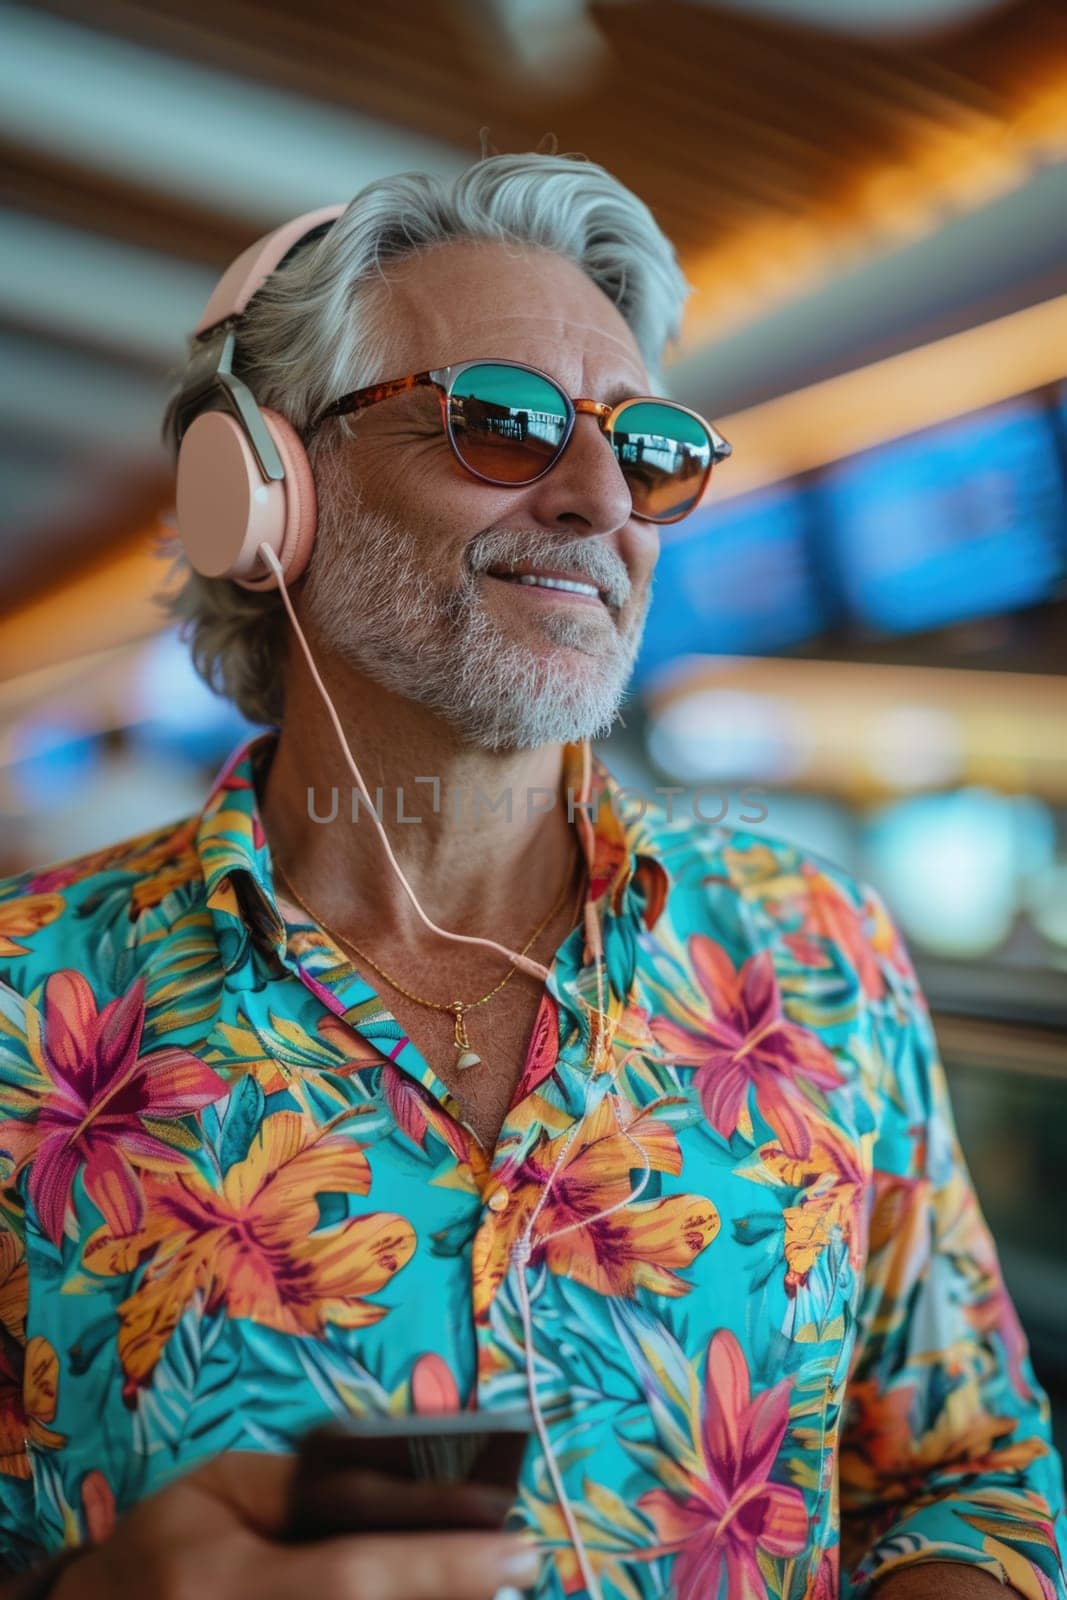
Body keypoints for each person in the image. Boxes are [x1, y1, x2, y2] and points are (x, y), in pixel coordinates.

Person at [0, 150, 1063, 1600]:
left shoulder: (815, 952)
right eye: (503, 424)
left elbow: (965, 1473)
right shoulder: (25, 1005)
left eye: (653, 447)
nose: (598, 497)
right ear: (260, 493)